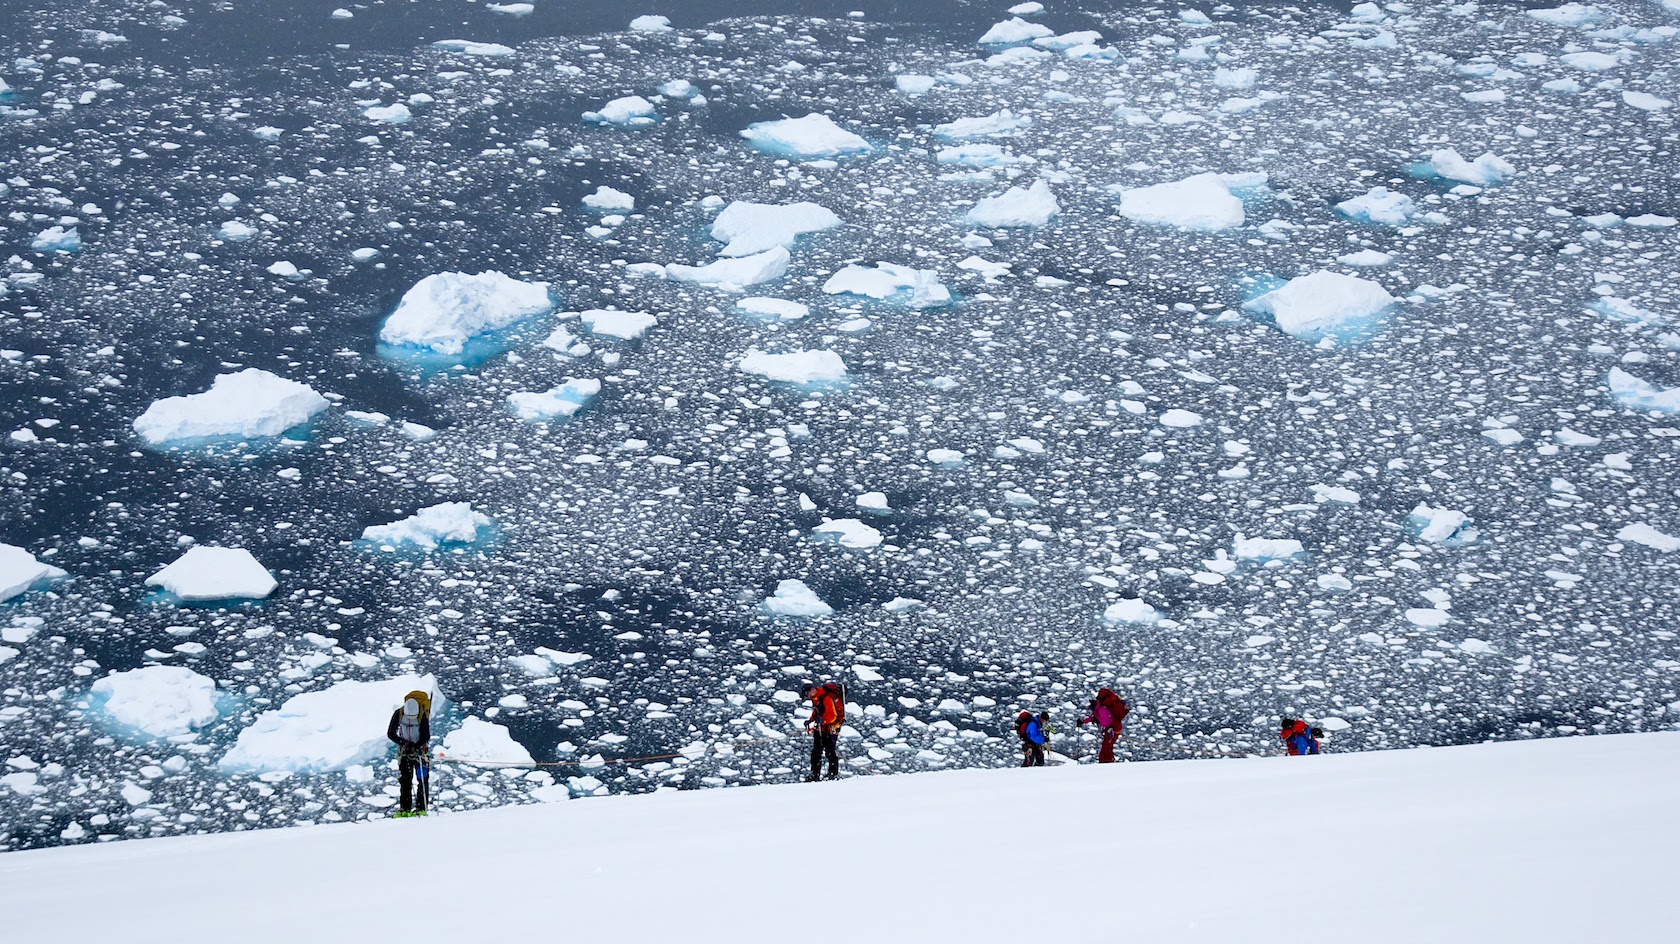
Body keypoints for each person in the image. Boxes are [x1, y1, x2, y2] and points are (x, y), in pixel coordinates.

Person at [386, 690, 431, 816]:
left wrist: (416, 746)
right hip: (405, 752)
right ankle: (405, 809)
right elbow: (391, 733)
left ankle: (421, 808)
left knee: (422, 779)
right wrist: (404, 743)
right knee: (405, 780)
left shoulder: (422, 715)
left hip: (420, 752)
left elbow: (426, 736)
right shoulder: (399, 714)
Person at [803, 681, 845, 782]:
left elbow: (833, 716)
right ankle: (815, 774)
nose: (807, 696)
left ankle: (833, 774)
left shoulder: (826, 698)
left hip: (831, 729)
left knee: (830, 751)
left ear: (812, 690)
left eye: (807, 694)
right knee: (816, 752)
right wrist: (811, 720)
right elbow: (817, 711)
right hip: (821, 728)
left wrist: (823, 721)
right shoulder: (817, 699)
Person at [1078, 687, 1129, 764]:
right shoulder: (1098, 708)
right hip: (1111, 729)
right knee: (1107, 746)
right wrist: (1083, 721)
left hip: (1113, 729)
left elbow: (1107, 720)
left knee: (1107, 746)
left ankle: (1107, 763)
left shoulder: (1101, 709)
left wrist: (1096, 720)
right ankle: (1105, 762)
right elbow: (1093, 717)